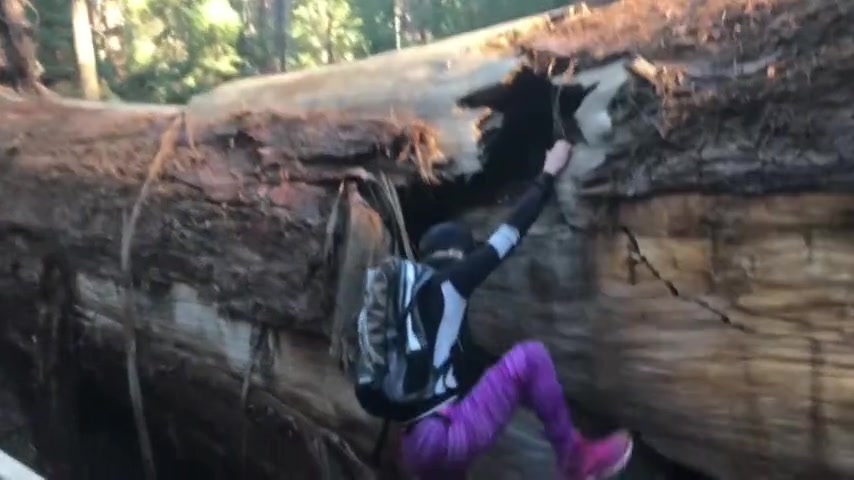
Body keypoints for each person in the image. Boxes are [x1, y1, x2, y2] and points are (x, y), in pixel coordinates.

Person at [356, 139, 633, 479]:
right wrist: (547, 174)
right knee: (531, 359)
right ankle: (575, 458)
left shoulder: (414, 308)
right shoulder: (449, 285)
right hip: (444, 438)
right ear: (457, 254)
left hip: (415, 448)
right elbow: (507, 237)